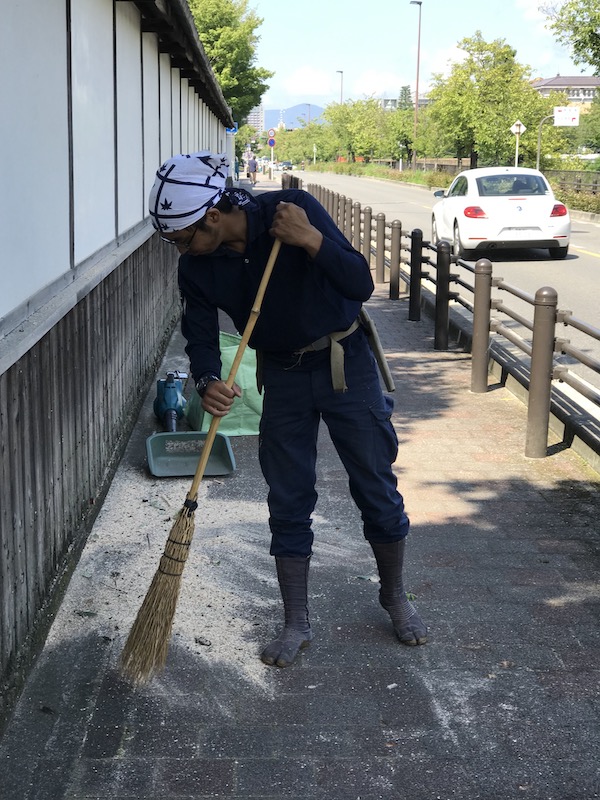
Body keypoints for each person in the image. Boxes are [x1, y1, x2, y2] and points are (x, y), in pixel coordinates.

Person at [148, 151, 427, 668]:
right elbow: (200, 334)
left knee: (374, 482)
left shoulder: (292, 210)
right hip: (283, 374)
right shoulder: (197, 266)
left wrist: (311, 240)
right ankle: (296, 620)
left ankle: (394, 596)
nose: (181, 250)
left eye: (183, 237)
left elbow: (360, 284)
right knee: (288, 492)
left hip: (347, 363)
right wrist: (207, 380)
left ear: (211, 216)